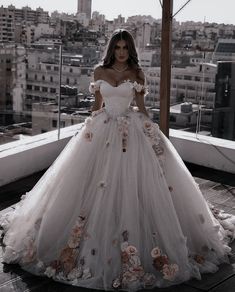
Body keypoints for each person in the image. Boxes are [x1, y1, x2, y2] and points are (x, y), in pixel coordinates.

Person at [0, 29, 235, 291]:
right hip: (103, 127)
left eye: (125, 48)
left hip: (131, 129)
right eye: (118, 47)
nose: (121, 52)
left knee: (138, 182)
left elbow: (142, 107)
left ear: (130, 49)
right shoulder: (99, 72)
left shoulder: (137, 73)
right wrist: (88, 128)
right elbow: (97, 105)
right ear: (112, 49)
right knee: (88, 182)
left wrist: (150, 128)